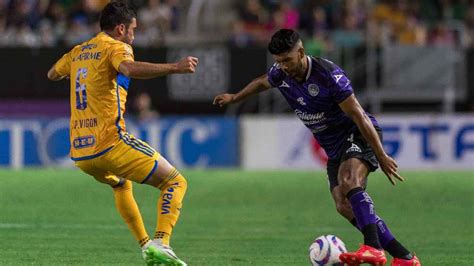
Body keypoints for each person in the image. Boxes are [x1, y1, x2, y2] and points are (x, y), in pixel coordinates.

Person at [213, 29, 420, 266]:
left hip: (355, 134)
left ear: (301, 52)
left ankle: (373, 248)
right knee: (343, 204)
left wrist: (381, 155)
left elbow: (359, 116)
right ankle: (405, 257)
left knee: (349, 179)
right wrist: (235, 97)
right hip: (333, 148)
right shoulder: (281, 73)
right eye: (278, 62)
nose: (283, 67)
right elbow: (262, 82)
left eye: (287, 60)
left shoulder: (329, 76)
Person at [47, 2, 198, 265]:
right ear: (120, 29)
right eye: (133, 30)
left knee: (120, 184)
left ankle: (146, 246)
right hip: (111, 143)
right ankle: (162, 242)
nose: (134, 36)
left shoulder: (79, 51)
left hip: (82, 154)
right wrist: (175, 67)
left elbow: (51, 74)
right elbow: (128, 68)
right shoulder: (116, 46)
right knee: (175, 182)